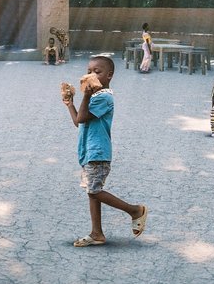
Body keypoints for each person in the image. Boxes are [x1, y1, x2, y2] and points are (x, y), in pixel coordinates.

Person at [59, 55, 148, 247]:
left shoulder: (105, 97)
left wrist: (86, 95)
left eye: (97, 72)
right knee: (92, 192)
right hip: (88, 152)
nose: (91, 74)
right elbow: (78, 121)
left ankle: (134, 210)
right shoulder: (95, 97)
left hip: (98, 152)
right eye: (89, 71)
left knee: (94, 190)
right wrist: (70, 104)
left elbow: (82, 118)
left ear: (109, 76)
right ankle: (97, 233)